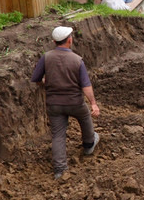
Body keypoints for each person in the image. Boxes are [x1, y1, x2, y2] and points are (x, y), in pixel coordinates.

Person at [31, 25, 100, 179]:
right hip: (75, 102)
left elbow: (36, 79)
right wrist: (93, 103)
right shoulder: (77, 60)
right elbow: (86, 85)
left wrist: (46, 82)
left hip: (54, 104)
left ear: (54, 41)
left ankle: (60, 170)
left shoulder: (46, 57)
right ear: (69, 40)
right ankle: (89, 145)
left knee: (58, 135)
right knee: (84, 117)